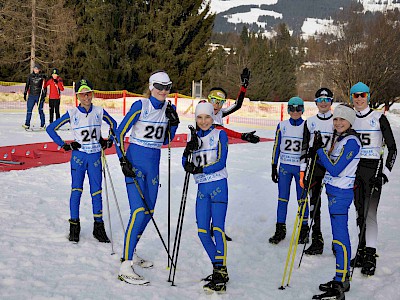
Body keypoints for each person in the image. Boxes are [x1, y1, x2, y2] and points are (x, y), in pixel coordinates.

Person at [116, 70, 179, 285]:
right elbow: (119, 132)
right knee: (138, 210)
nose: (163, 91)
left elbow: (167, 140)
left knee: (149, 210)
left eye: (167, 87)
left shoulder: (169, 109)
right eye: (159, 87)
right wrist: (123, 160)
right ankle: (125, 264)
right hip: (136, 162)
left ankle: (132, 251)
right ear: (151, 87)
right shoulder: (140, 106)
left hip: (153, 164)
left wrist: (174, 123)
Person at [46, 79, 117, 244]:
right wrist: (64, 145)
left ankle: (98, 227)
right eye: (83, 94)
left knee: (96, 191)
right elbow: (51, 128)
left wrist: (109, 140)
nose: (86, 97)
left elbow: (113, 124)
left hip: (94, 157)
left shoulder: (99, 111)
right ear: (78, 96)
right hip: (79, 157)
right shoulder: (72, 113)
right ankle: (74, 227)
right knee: (76, 190)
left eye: (89, 93)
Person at [312, 104, 361, 300]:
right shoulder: (339, 138)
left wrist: (320, 152)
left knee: (340, 237)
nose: (338, 122)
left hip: (341, 194)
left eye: (342, 119)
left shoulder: (352, 142)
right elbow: (327, 163)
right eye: (336, 119)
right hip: (332, 191)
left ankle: (342, 279)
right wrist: (319, 150)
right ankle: (339, 277)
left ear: (350, 121)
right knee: (337, 236)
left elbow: (335, 169)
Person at [350, 82, 397, 276]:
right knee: (359, 212)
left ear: (368, 96)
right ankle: (360, 250)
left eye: (362, 95)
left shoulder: (379, 118)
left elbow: (393, 148)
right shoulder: (350, 118)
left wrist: (385, 173)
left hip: (373, 170)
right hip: (355, 170)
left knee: (370, 214)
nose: (359, 99)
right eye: (355, 95)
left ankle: (370, 254)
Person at [182, 101, 229, 293]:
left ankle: (221, 272)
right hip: (202, 188)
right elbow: (185, 162)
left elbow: (221, 161)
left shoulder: (220, 134)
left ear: (213, 117)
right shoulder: (193, 136)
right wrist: (187, 151)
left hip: (218, 185)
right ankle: (218, 267)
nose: (203, 121)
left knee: (217, 230)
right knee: (202, 231)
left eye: (207, 117)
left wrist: (200, 168)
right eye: (200, 117)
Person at [269, 96, 309, 245]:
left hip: (300, 168)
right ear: (288, 110)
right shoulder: (282, 125)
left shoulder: (307, 126)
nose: (295, 111)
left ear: (303, 110)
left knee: (302, 199)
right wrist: (274, 165)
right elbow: (276, 146)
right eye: (292, 108)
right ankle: (280, 229)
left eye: (298, 108)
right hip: (285, 166)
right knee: (282, 198)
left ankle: (304, 230)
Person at [300, 88, 335, 255]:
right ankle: (317, 239)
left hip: (333, 167)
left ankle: (338, 241)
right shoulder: (310, 121)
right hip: (315, 167)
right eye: (320, 99)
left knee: (335, 206)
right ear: (315, 102)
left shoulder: (337, 120)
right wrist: (303, 170)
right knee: (314, 204)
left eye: (326, 99)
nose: (323, 102)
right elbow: (304, 147)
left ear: (331, 102)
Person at [207, 68, 260, 144]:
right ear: (208, 100)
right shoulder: (203, 110)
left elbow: (237, 105)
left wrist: (244, 87)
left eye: (221, 102)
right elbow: (217, 128)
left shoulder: (220, 113)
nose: (217, 105)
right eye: (214, 100)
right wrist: (242, 136)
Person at [22, 63, 47, 130]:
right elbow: (27, 85)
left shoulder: (41, 77)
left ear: (39, 70)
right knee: (29, 110)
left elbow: (44, 87)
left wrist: (43, 96)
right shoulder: (30, 76)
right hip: (31, 96)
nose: (36, 70)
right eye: (35, 68)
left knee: (40, 111)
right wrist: (25, 93)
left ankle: (43, 124)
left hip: (39, 96)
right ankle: (27, 124)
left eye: (37, 69)